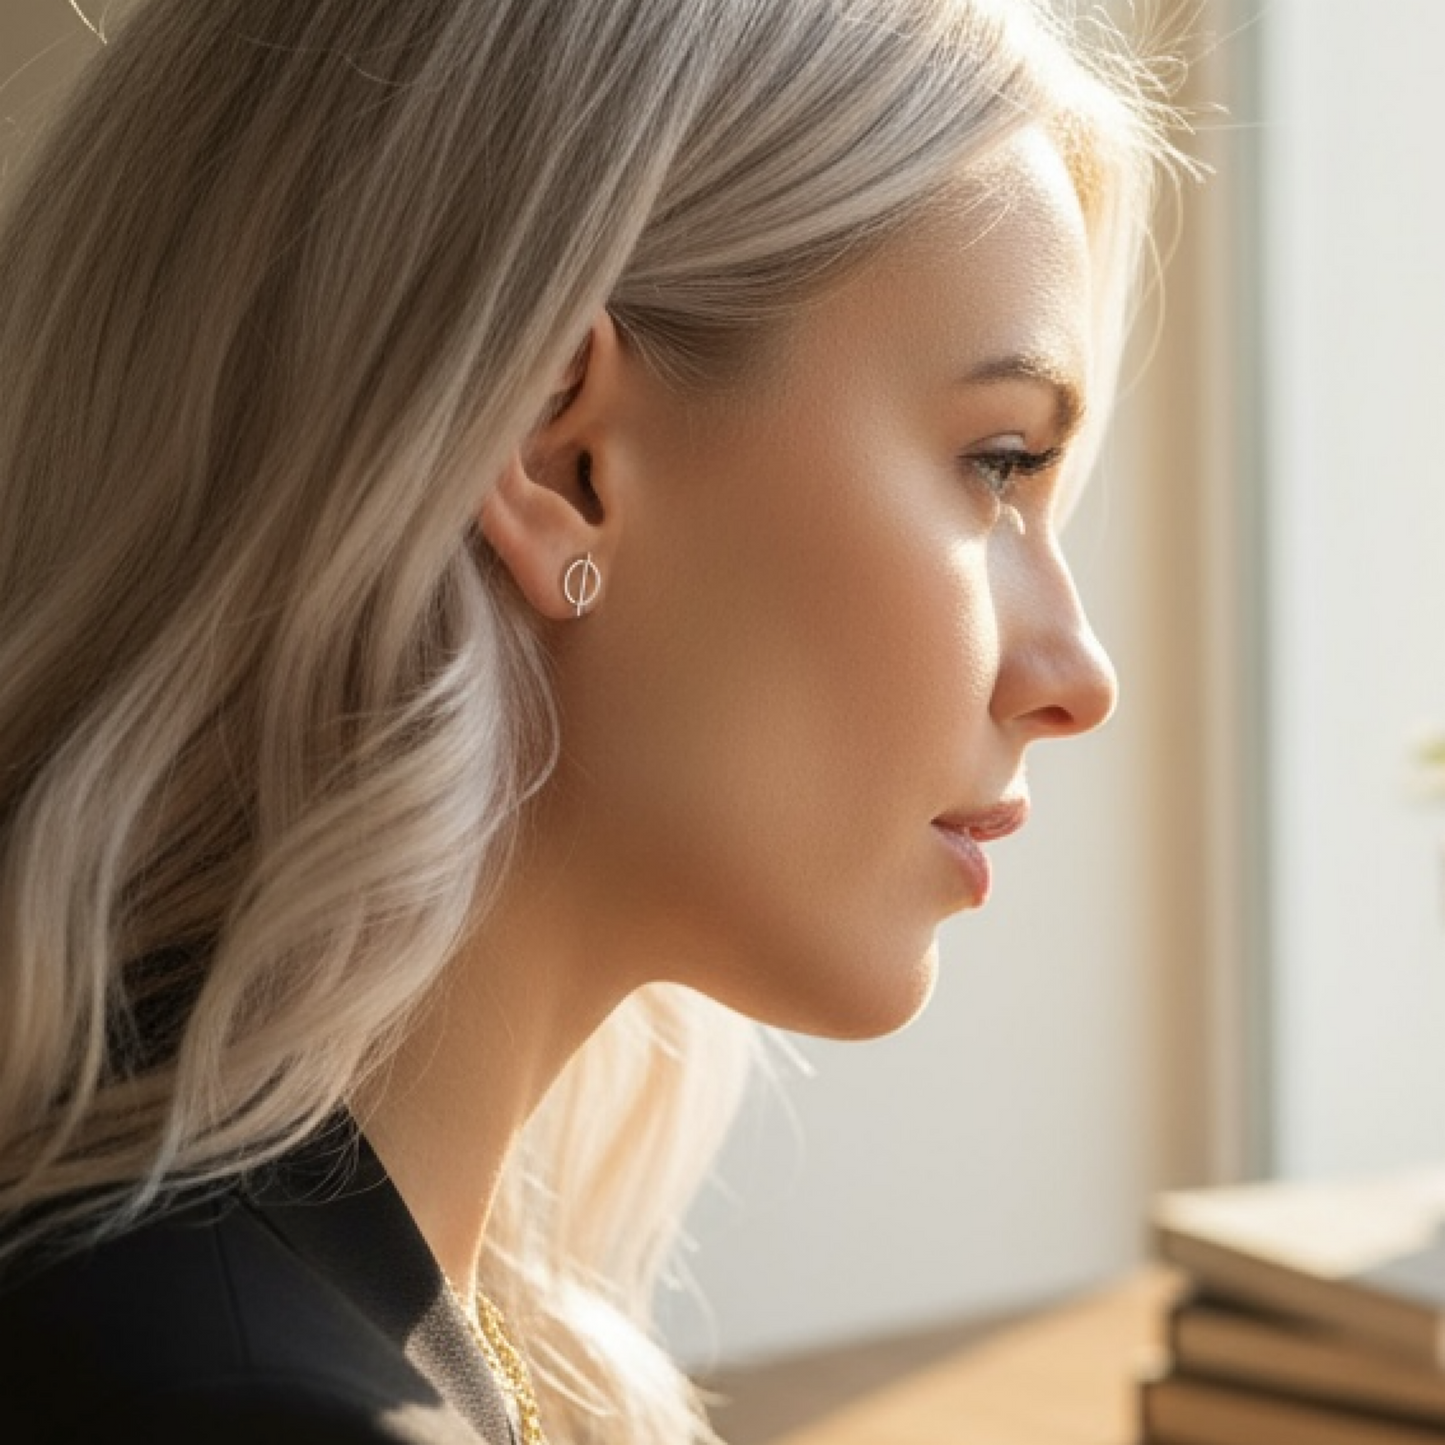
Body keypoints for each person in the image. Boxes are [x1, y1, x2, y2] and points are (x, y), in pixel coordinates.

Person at [0, 0, 1177, 1441]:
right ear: (564, 461)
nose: (1078, 673)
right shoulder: (258, 1404)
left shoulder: (222, 1272)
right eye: (997, 464)